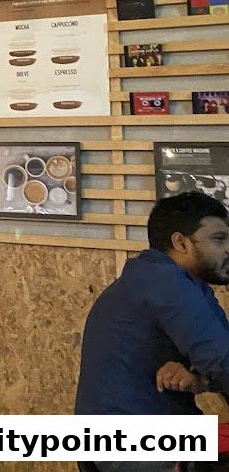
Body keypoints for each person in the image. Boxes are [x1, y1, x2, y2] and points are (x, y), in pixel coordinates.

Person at [75, 192, 229, 471]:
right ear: (180, 242)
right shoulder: (165, 282)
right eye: (218, 240)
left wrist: (197, 378)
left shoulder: (185, 284)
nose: (228, 249)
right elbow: (222, 361)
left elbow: (219, 354)